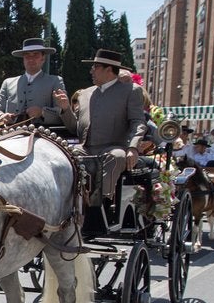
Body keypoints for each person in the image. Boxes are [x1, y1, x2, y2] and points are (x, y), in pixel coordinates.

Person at [62, 48, 151, 226]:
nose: (91, 71)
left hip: (114, 146)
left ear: (109, 70)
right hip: (86, 147)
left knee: (115, 157)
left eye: (95, 67)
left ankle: (100, 207)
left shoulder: (130, 91)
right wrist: (65, 109)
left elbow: (137, 122)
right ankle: (67, 203)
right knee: (66, 155)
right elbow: (75, 128)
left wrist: (132, 147)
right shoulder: (85, 93)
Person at [0, 36, 68, 126]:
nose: (31, 59)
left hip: (43, 136)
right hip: (10, 135)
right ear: (23, 59)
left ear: (43, 58)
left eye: (36, 55)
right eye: (27, 55)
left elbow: (63, 113)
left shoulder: (55, 81)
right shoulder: (8, 83)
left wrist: (42, 112)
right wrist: (1, 116)